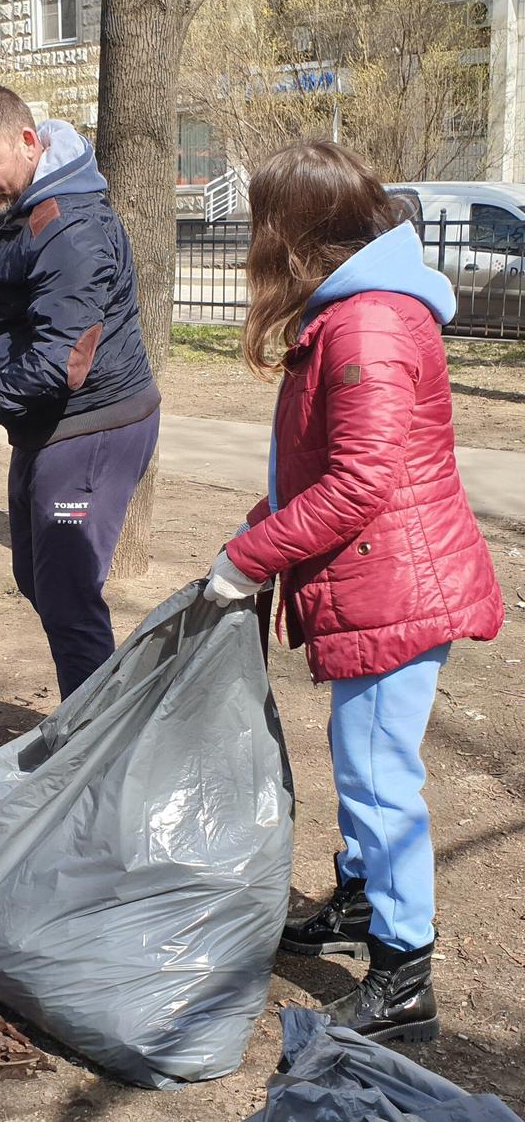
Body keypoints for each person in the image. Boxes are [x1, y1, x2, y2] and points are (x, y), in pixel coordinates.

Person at [203, 141, 504, 1042]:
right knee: (361, 760)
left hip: (397, 588)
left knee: (380, 778)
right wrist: (256, 529)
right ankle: (362, 899)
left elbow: (358, 486)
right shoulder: (355, 312)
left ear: (298, 234)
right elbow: (329, 471)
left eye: (263, 226)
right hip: (384, 575)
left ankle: (405, 973)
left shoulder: (368, 323)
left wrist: (252, 558)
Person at [0, 84, 160, 701]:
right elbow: (21, 271)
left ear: (28, 142)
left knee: (67, 592)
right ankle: (95, 721)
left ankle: (93, 751)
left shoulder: (73, 225)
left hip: (93, 422)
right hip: (45, 423)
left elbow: (59, 361)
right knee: (35, 576)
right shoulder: (25, 202)